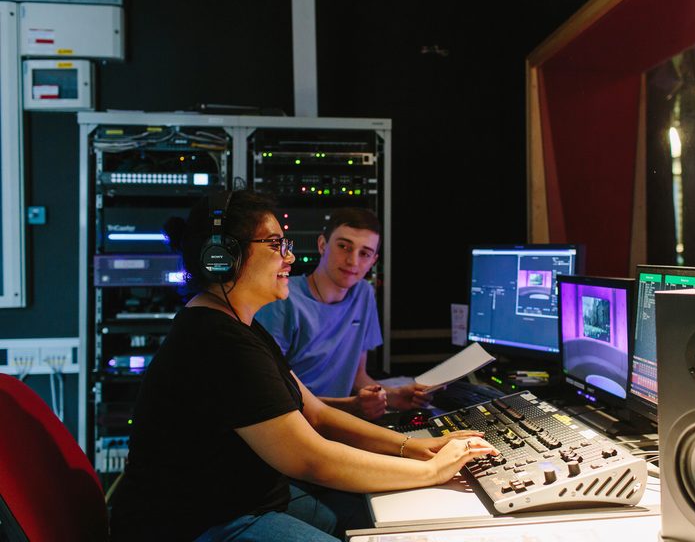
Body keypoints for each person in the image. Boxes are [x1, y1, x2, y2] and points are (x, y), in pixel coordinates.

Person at [109, 190, 494, 542]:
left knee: (375, 516)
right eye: (276, 244)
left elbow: (317, 414)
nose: (290, 257)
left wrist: (417, 448)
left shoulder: (238, 323)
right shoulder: (218, 340)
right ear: (223, 256)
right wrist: (433, 471)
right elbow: (311, 457)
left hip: (251, 498)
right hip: (205, 524)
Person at [256, 208, 430, 420]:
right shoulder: (283, 299)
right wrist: (350, 407)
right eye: (344, 247)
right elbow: (272, 394)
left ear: (373, 261)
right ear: (322, 245)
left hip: (336, 420)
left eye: (364, 253)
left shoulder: (363, 294)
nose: (353, 261)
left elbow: (358, 377)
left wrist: (393, 397)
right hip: (294, 424)